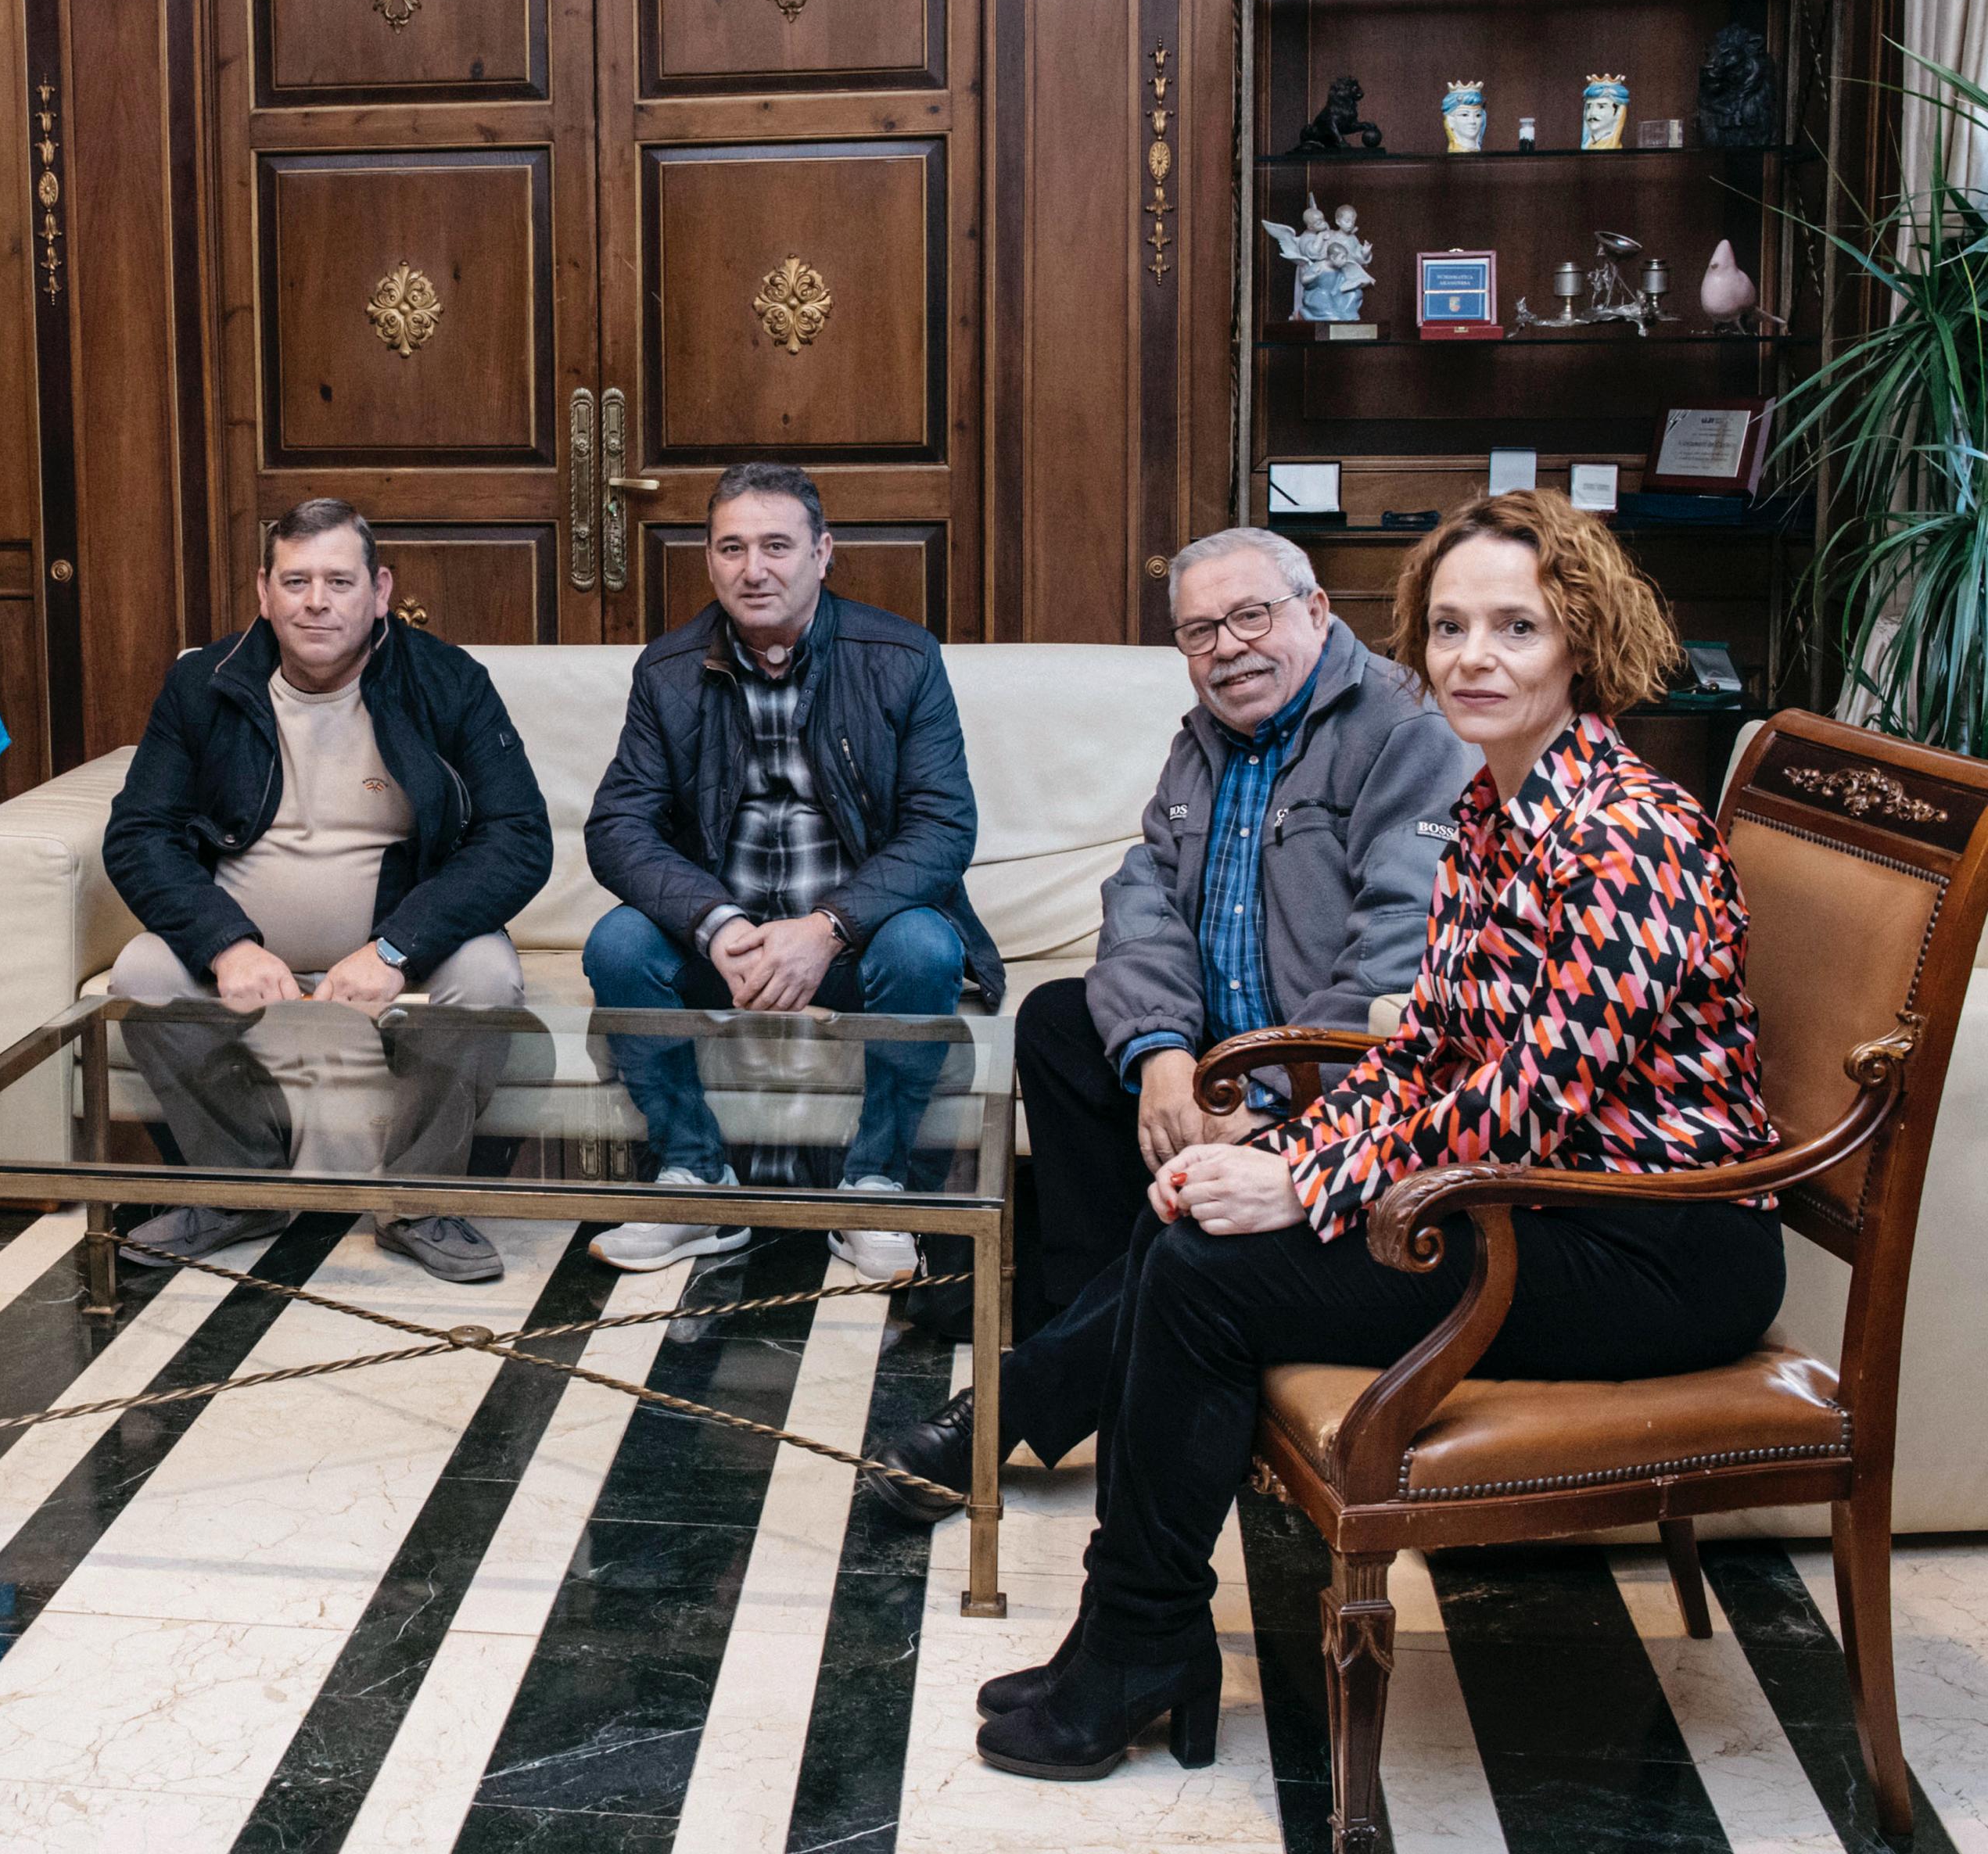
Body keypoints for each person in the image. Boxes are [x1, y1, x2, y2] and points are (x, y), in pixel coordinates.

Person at [974, 489, 1781, 1781]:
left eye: (1516, 625)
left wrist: (1305, 1176)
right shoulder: (1493, 814)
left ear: (1580, 637)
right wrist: (1278, 1160)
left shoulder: (1629, 834)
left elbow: (1528, 1096)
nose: (1475, 655)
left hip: (1658, 1246)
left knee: (1203, 1279)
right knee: (1191, 1223)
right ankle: (1133, 1630)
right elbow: (1426, 1052)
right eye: (1451, 625)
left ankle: (1137, 1635)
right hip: (1525, 1201)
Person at [864, 527, 1474, 1512]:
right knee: (1062, 1023)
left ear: (1316, 611)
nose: (1227, 647)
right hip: (1217, 1056)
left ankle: (1025, 1397)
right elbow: (1140, 896)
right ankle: (1080, 1312)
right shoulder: (1202, 739)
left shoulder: (1405, 730)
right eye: (1199, 631)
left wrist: (1268, 1088)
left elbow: (1397, 951)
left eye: (1250, 616)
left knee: (1204, 1207)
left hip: (1329, 1072)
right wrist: (1159, 1053)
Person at [99, 499, 551, 1282]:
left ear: (379, 590)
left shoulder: (447, 681)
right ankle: (242, 1187)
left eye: (338, 580)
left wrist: (396, 948)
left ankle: (418, 1200)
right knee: (140, 971)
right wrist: (224, 943)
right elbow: (138, 835)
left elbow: (518, 837)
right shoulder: (198, 684)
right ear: (262, 592)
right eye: (296, 580)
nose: (316, 600)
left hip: (397, 945)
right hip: (242, 951)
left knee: (487, 972)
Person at [580, 461, 998, 1278]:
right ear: (708, 561)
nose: (752, 568)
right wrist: (715, 924)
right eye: (730, 548)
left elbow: (943, 828)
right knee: (617, 944)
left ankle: (873, 1186)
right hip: (722, 950)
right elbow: (616, 828)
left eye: (775, 545)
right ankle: (693, 1179)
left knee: (925, 947)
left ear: (822, 553)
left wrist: (826, 929)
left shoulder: (900, 657)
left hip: (849, 944)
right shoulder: (665, 670)